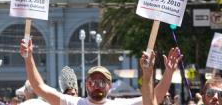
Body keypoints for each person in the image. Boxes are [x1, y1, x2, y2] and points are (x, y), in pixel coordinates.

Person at [21, 37, 180, 105]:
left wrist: (169, 72)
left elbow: (155, 98)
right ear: (87, 85)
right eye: (92, 82)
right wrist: (28, 58)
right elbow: (39, 88)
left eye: (102, 81)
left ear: (109, 86)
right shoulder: (73, 103)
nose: (97, 85)